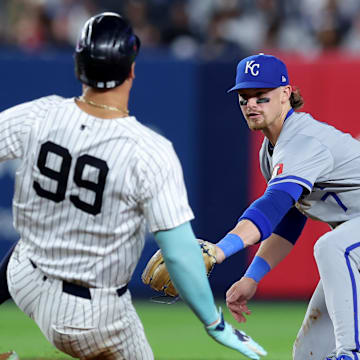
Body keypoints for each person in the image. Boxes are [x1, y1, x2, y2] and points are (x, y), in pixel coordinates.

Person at [2, 12, 266, 360]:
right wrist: (214, 323)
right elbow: (178, 254)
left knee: (34, 245)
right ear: (132, 69)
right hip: (91, 315)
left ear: (79, 65)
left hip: (24, 277)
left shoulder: (41, 114)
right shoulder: (148, 150)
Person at [213, 52, 360, 360]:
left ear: (286, 94)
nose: (251, 104)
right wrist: (252, 277)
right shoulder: (271, 151)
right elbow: (289, 220)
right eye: (244, 97)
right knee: (310, 353)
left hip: (350, 240)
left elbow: (271, 207)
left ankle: (352, 353)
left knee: (332, 247)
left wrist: (220, 250)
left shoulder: (302, 141)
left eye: (260, 96)